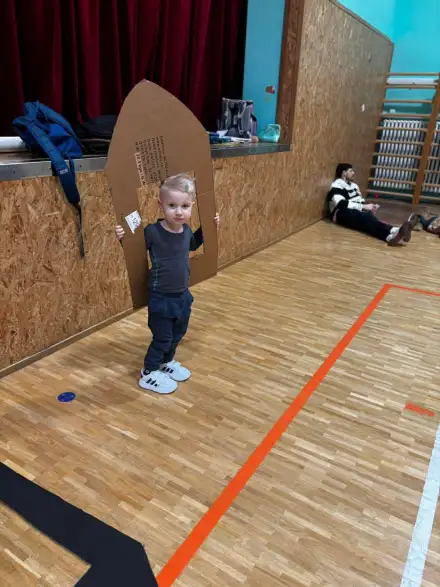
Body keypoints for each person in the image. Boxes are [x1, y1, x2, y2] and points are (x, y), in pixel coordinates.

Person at [116, 173, 220, 395]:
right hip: (161, 297)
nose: (179, 211)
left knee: (177, 334)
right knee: (162, 337)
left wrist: (209, 227)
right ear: (161, 205)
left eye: (185, 206)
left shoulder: (187, 231)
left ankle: (166, 362)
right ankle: (149, 371)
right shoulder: (152, 232)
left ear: (192, 206)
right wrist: (123, 237)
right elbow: (134, 249)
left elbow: (194, 244)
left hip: (182, 295)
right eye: (172, 205)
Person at [327, 163, 418, 245]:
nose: (353, 173)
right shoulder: (336, 185)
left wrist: (369, 208)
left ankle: (395, 233)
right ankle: (392, 234)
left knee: (369, 219)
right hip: (340, 213)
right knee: (365, 218)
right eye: (351, 171)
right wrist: (364, 207)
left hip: (355, 212)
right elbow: (340, 204)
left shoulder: (355, 186)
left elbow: (360, 201)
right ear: (344, 173)